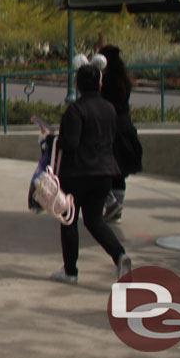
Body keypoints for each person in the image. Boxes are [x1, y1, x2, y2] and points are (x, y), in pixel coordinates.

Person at [50, 64, 132, 284]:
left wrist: (52, 139)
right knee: (95, 220)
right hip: (104, 172)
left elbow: (71, 143)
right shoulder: (109, 109)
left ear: (77, 85)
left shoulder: (75, 110)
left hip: (77, 173)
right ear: (100, 83)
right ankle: (119, 254)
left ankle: (70, 271)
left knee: (69, 220)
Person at [98, 45, 143, 222]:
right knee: (119, 172)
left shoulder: (107, 81)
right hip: (125, 127)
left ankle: (112, 204)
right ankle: (117, 208)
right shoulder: (124, 79)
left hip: (111, 129)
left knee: (104, 169)